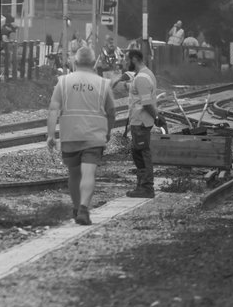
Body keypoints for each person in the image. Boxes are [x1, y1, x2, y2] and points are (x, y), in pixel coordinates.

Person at [47, 46, 117, 225]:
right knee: (89, 173)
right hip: (94, 136)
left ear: (75, 62)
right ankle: (84, 209)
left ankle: (77, 208)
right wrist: (108, 131)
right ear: (94, 63)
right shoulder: (103, 84)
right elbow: (111, 112)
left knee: (74, 174)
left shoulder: (62, 82)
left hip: (70, 135)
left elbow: (54, 109)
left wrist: (50, 136)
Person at [115, 48, 159, 198]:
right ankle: (142, 186)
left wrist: (157, 118)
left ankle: (146, 188)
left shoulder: (141, 78)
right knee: (138, 153)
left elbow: (146, 103)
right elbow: (135, 86)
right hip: (140, 121)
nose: (126, 64)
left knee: (142, 154)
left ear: (134, 59)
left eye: (127, 60)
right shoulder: (146, 74)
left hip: (140, 121)